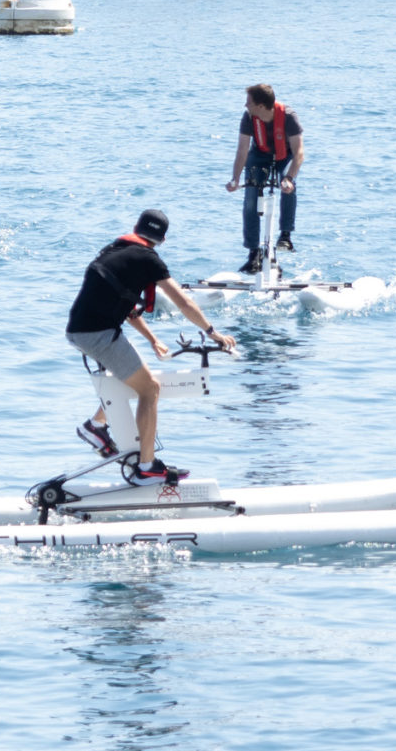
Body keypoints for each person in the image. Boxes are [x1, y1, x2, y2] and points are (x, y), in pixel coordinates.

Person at [64, 208, 233, 485]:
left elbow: (126, 306)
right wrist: (213, 333)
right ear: (162, 240)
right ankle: (147, 467)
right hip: (96, 333)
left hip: (83, 329)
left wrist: (152, 339)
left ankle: (95, 426)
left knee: (134, 377)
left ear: (135, 227)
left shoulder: (116, 249)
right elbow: (184, 303)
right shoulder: (149, 260)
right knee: (150, 388)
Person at [224, 82, 305, 274]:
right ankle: (254, 253)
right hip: (259, 156)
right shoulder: (249, 117)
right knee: (251, 198)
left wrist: (289, 179)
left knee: (287, 186)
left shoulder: (289, 117)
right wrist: (235, 179)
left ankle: (285, 235)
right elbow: (242, 149)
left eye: (249, 103)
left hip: (284, 156)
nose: (245, 106)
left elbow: (299, 152)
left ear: (261, 106)